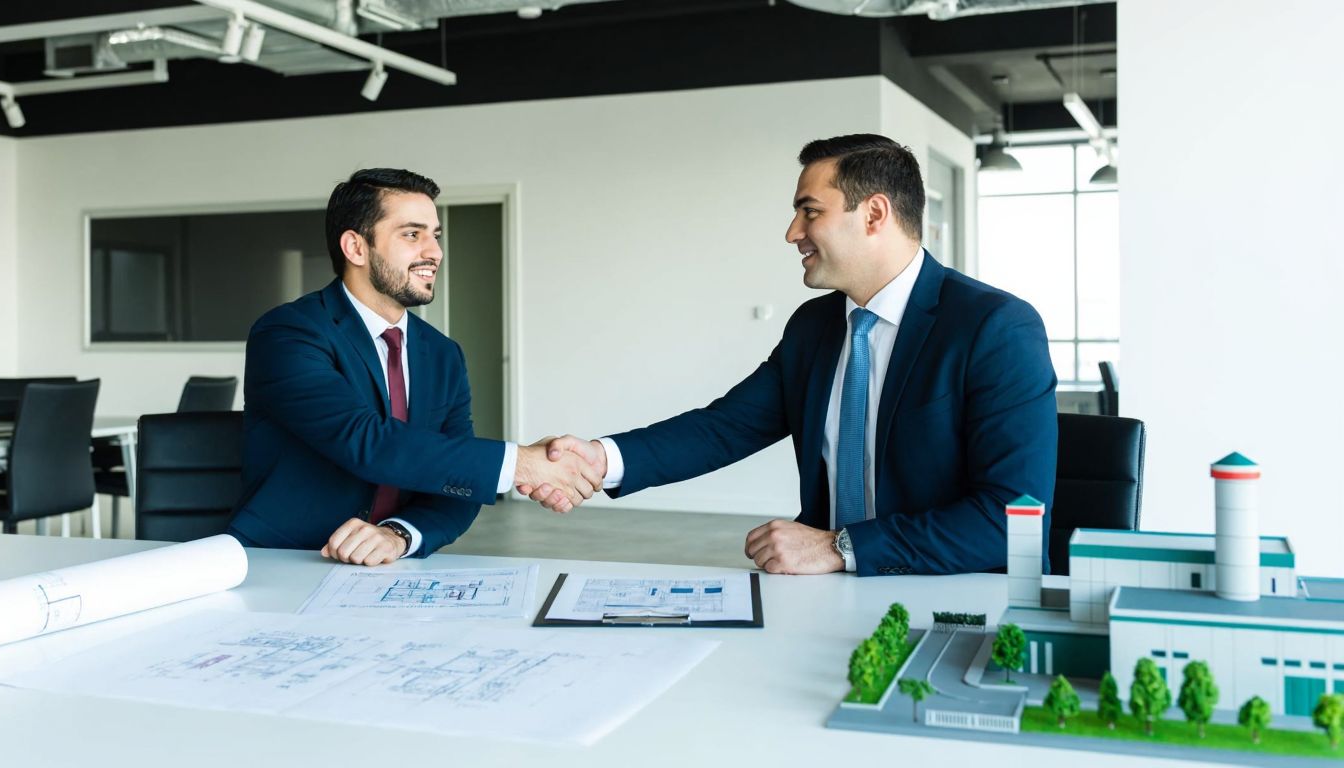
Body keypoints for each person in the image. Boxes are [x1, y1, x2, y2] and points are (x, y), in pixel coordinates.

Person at [524, 135, 1057, 576]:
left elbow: (1012, 520)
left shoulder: (995, 328)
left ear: (874, 214)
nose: (792, 233)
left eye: (810, 212)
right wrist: (600, 459)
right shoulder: (813, 327)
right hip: (830, 595)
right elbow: (724, 428)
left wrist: (838, 547)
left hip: (959, 600)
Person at [230, 168, 599, 565]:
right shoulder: (289, 333)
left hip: (386, 570)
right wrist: (522, 464)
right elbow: (367, 440)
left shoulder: (443, 354)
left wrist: (399, 535)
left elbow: (456, 483)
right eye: (412, 234)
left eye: (435, 235)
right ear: (356, 248)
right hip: (283, 561)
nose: (434, 252)